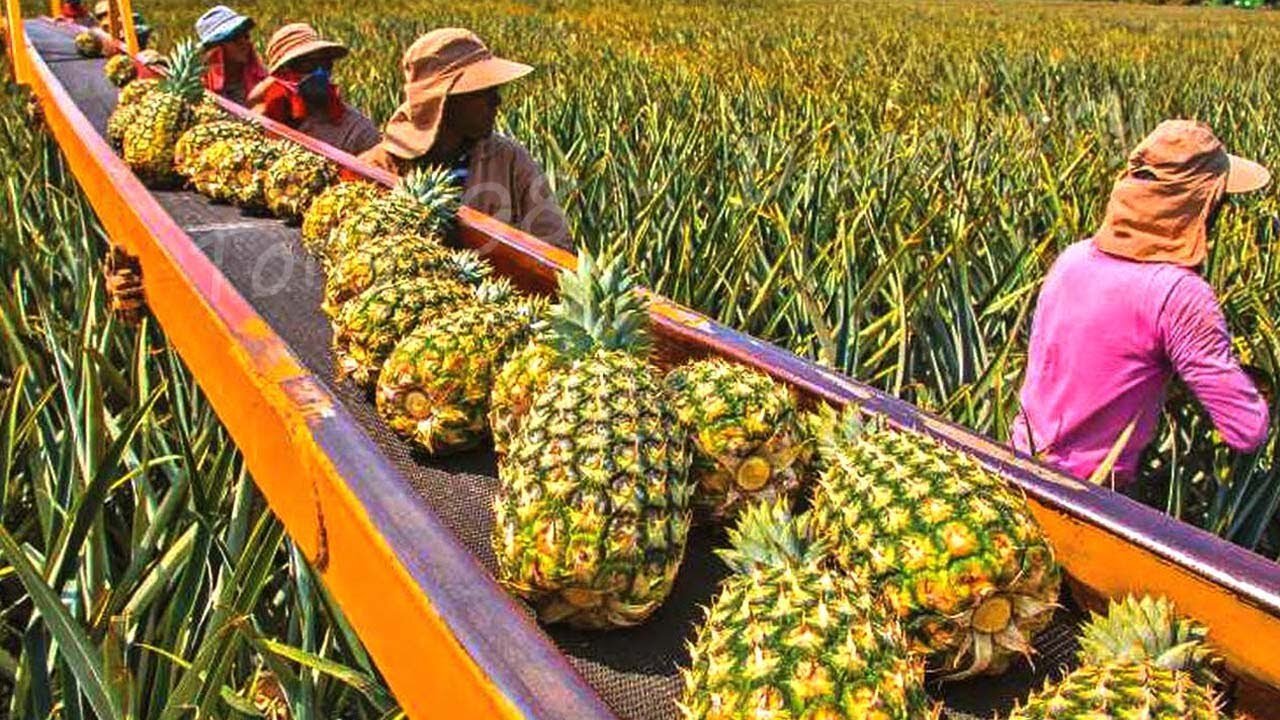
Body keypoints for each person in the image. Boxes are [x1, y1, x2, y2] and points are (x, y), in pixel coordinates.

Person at [1013, 120, 1271, 489]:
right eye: (1220, 201)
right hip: (1095, 498)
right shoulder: (1180, 295)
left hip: (1019, 463)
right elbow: (1246, 431)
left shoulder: (1073, 258)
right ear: (1201, 206)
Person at [360, 28, 571, 250]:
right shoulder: (376, 168)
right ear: (444, 102)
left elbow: (556, 245)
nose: (497, 101)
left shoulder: (510, 160)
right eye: (484, 91)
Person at [247, 24, 380, 155]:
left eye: (325, 64)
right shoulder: (260, 124)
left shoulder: (356, 129)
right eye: (308, 64)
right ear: (283, 74)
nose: (320, 72)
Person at [194, 5, 266, 106]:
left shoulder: (261, 82)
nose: (244, 42)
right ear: (216, 47)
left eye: (246, 36)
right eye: (234, 38)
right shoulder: (201, 91)